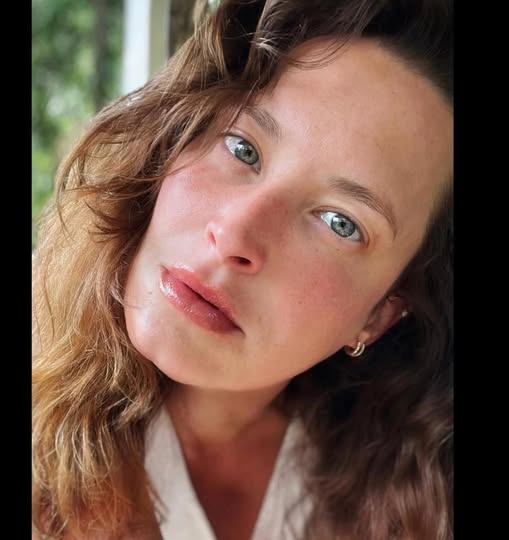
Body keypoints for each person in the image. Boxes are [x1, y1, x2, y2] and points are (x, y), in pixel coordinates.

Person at [32, 0, 453, 538]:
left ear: (381, 314)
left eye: (340, 222)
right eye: (242, 148)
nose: (234, 233)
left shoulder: (406, 494)